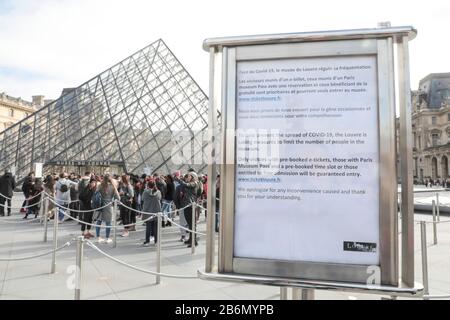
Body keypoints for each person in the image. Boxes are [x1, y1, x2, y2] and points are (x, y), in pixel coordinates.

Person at [95, 174, 120, 244]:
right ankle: (107, 238)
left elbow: (95, 194)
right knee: (108, 223)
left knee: (98, 222)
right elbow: (118, 198)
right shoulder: (112, 187)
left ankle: (98, 237)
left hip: (99, 205)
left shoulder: (100, 186)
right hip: (108, 206)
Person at [177, 171, 199, 247]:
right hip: (187, 205)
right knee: (190, 224)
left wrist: (180, 180)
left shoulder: (194, 183)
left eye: (189, 176)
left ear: (193, 177)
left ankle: (194, 241)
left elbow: (186, 185)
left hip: (190, 206)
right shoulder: (189, 184)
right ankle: (191, 239)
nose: (188, 177)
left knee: (192, 224)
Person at [141, 180, 161, 247]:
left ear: (148, 185)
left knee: (148, 227)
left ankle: (147, 241)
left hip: (148, 211)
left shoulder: (145, 192)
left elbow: (142, 199)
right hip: (156, 211)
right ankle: (156, 241)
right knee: (156, 227)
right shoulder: (158, 192)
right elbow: (160, 198)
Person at [78, 173, 95, 239]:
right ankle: (83, 233)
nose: (94, 184)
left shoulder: (92, 189)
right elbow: (81, 196)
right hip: (86, 206)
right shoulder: (87, 188)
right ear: (90, 183)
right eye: (92, 182)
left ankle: (88, 232)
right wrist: (87, 201)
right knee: (85, 219)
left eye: (94, 183)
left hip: (91, 206)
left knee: (90, 219)